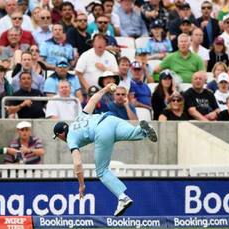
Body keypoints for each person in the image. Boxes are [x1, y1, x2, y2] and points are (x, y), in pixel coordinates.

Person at [52, 82, 158, 217]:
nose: (60, 139)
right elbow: (93, 99)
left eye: (58, 137)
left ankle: (122, 197)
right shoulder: (79, 118)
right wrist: (107, 88)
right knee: (134, 134)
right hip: (110, 119)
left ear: (61, 134)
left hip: (101, 132)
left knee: (101, 171)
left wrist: (81, 185)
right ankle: (142, 128)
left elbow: (77, 163)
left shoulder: (70, 138)